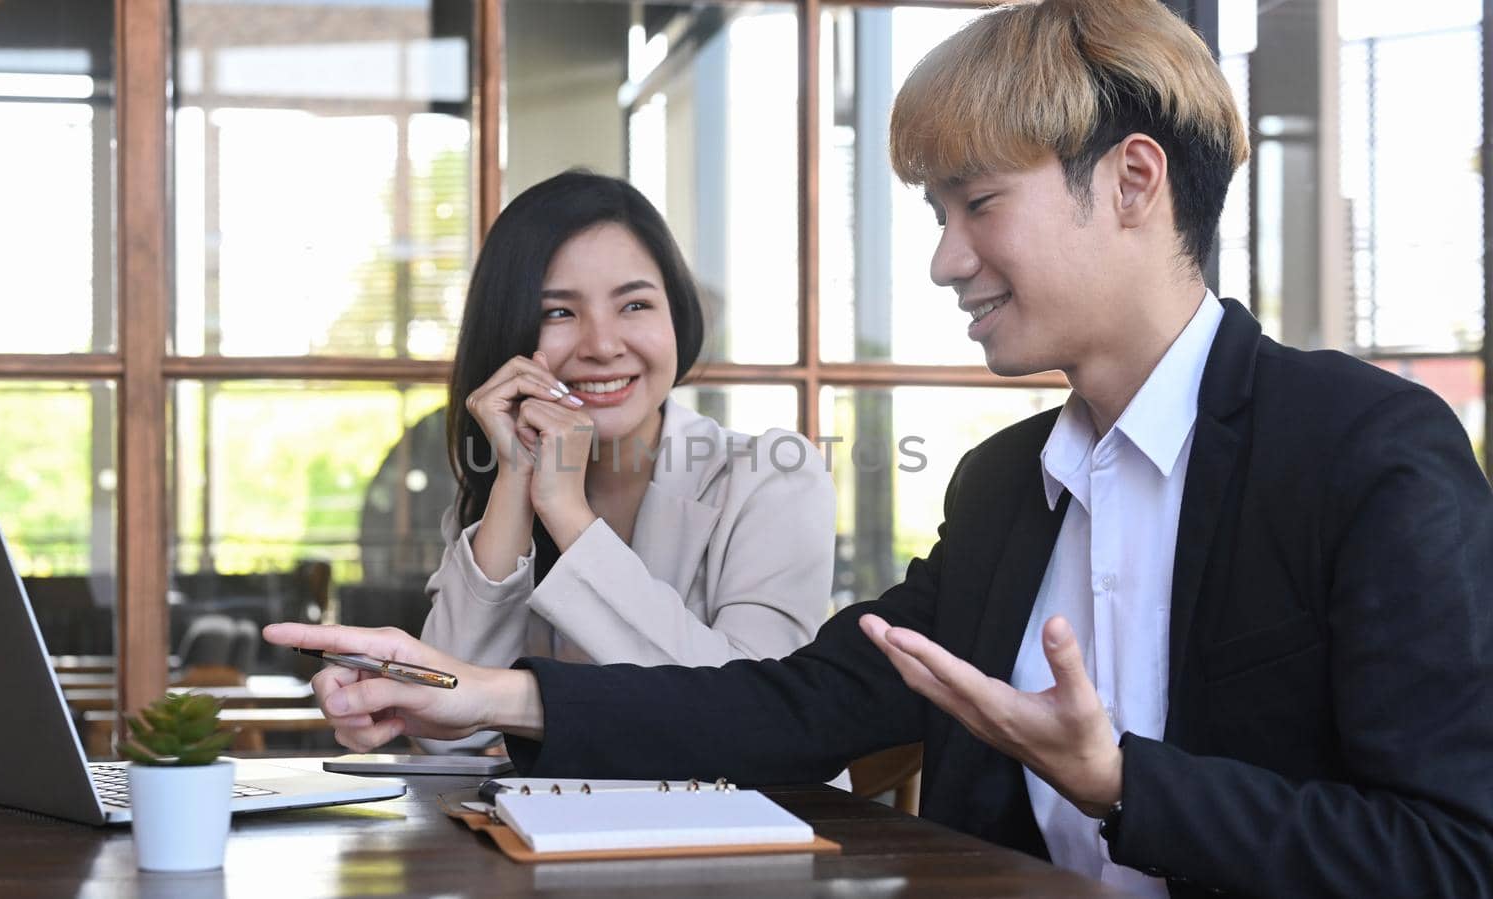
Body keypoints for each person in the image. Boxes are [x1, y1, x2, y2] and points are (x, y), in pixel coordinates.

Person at [266, 2, 1493, 895]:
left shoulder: (1360, 448)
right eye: (934, 214)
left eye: (976, 204)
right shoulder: (1011, 481)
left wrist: (1122, 781)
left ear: (1130, 182)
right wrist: (465, 691)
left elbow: (1453, 852)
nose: (944, 260)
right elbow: (801, 705)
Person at [410, 171, 836, 752]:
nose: (603, 345)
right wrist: (517, 477)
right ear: (510, 331)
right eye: (559, 312)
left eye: (634, 304)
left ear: (675, 315)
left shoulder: (773, 476)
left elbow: (753, 715)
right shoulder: (493, 500)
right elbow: (445, 734)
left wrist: (566, 511)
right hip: (549, 833)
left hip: (754, 829)